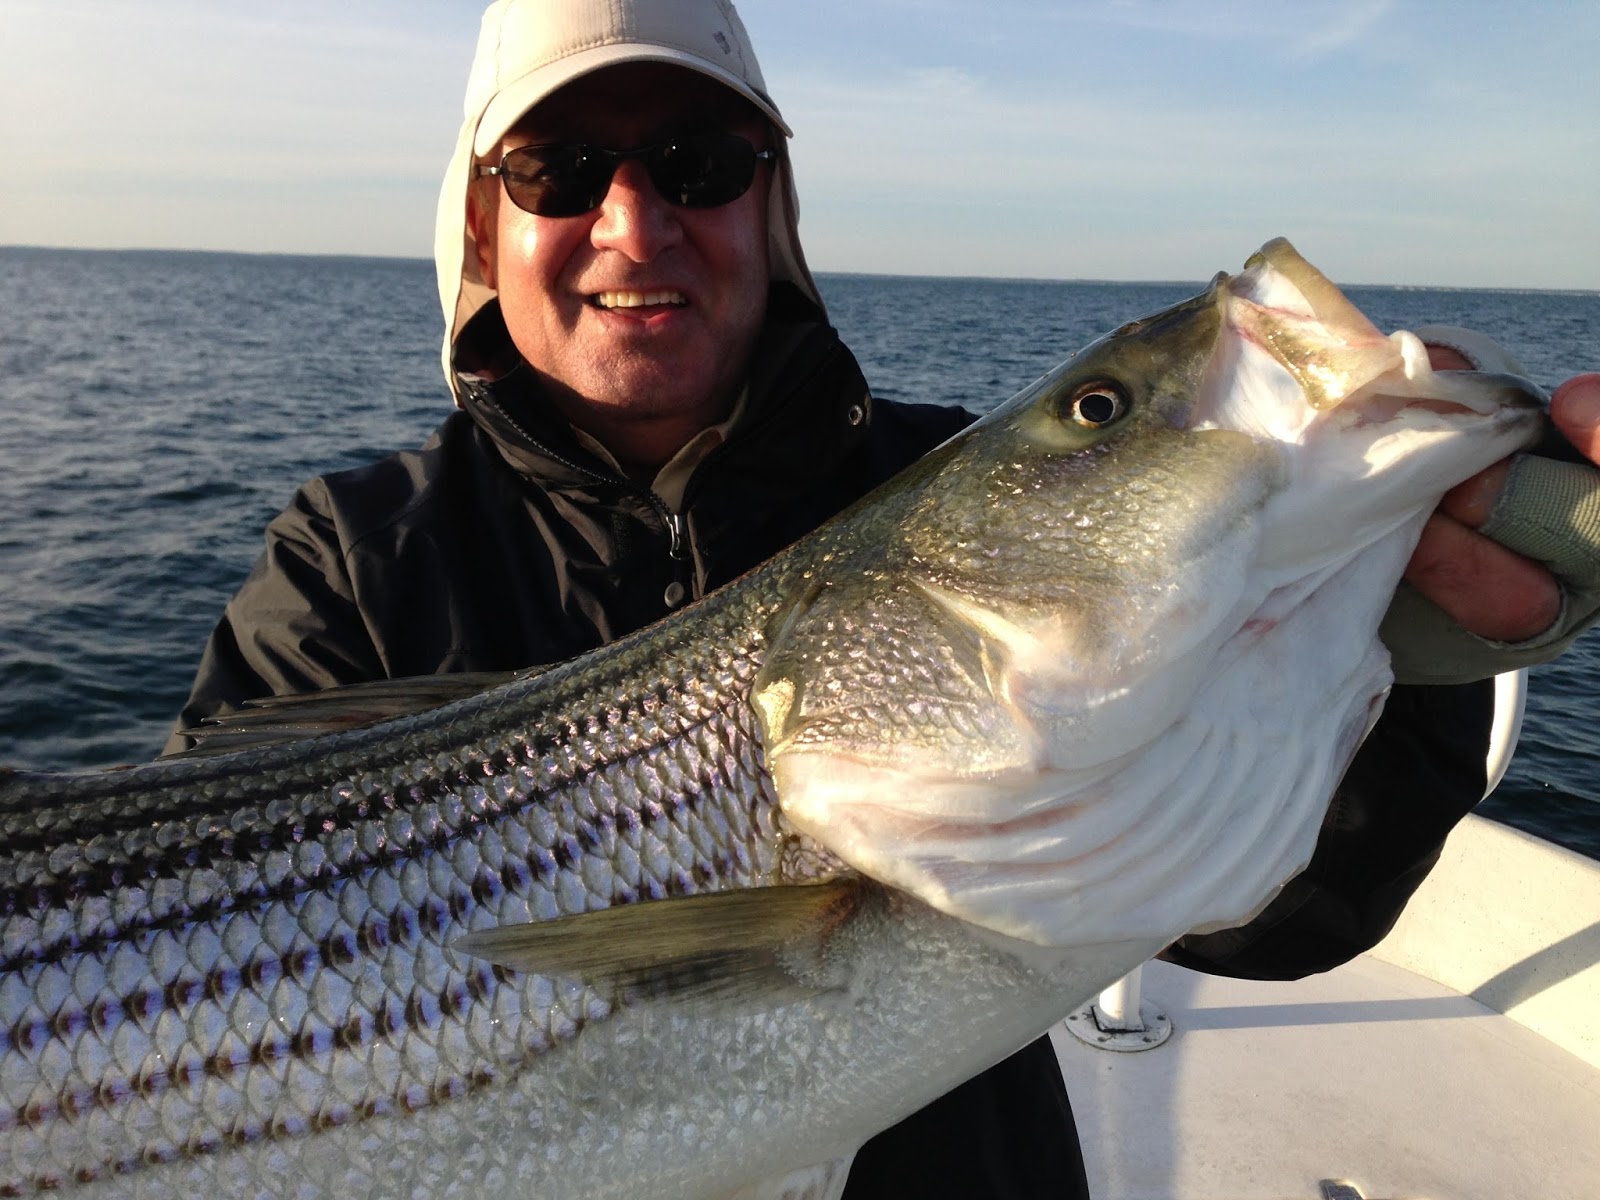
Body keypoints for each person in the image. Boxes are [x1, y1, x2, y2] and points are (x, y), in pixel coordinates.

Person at [168, 0, 1600, 1194]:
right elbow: (190, 944)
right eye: (555, 172)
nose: (634, 223)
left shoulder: (925, 472)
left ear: (771, 209)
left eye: (699, 161)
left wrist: (1384, 665)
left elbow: (1280, 919)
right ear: (482, 230)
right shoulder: (354, 555)